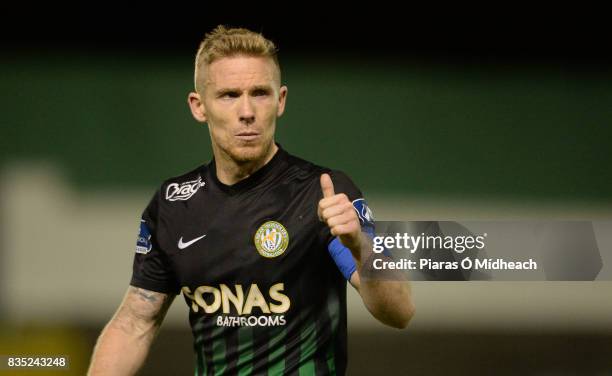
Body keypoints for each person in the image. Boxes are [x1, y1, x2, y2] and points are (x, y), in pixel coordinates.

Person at [88, 25, 414, 376]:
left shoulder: (324, 192)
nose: (247, 111)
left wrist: (360, 246)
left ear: (281, 100)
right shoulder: (173, 205)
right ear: (199, 107)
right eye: (229, 95)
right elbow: (135, 322)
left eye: (260, 93)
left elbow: (399, 312)